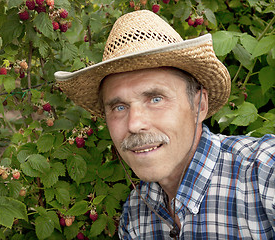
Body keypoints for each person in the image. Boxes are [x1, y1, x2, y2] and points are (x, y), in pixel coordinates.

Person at [55, 10, 275, 239]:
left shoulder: (264, 175)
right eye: (119, 107)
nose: (135, 124)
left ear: (200, 105)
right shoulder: (136, 214)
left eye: (156, 99)